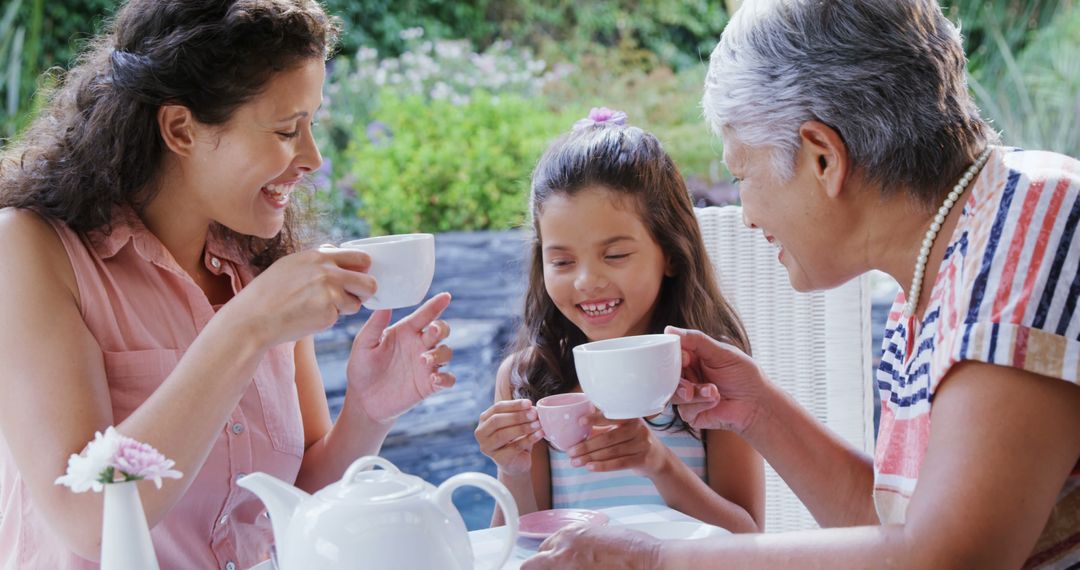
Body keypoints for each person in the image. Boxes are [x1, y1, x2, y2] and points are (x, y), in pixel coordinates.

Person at [523, 1, 1080, 568]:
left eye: (745, 176)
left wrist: (651, 560)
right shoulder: (934, 279)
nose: (746, 214)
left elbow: (951, 557)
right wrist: (758, 410)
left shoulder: (1032, 219)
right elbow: (897, 533)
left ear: (822, 158)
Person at [0, 1, 455, 568]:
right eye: (287, 130)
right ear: (181, 128)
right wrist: (246, 327)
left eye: (312, 125)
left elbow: (300, 504)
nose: (311, 158)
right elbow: (89, 521)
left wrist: (368, 412)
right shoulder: (31, 250)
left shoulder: (258, 263)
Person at [474, 109, 765, 533]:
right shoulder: (529, 379)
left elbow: (749, 539)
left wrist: (659, 464)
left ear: (670, 252)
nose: (587, 281)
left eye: (615, 256)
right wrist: (512, 467)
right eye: (562, 260)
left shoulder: (710, 374)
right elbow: (515, 542)